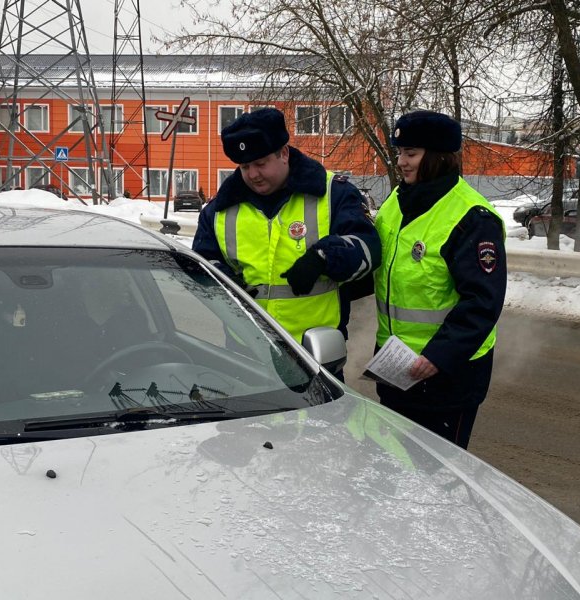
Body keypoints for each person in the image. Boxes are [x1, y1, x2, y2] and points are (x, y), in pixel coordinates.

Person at [193, 107, 381, 351]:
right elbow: (199, 263)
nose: (252, 175)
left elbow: (369, 247)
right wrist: (221, 279)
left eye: (260, 163)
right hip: (247, 351)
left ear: (284, 153)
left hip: (315, 353)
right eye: (244, 167)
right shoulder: (219, 209)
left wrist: (323, 258)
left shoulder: (333, 193)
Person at [372, 110, 507, 449]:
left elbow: (481, 302)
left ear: (438, 157)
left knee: (436, 483)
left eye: (411, 154)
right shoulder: (396, 203)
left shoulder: (472, 218)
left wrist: (438, 357)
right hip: (396, 369)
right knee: (394, 470)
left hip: (446, 378)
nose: (401, 162)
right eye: (399, 152)